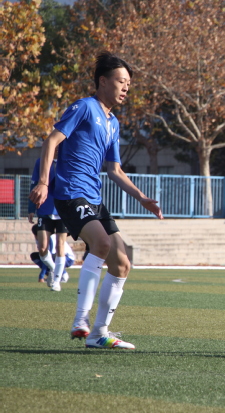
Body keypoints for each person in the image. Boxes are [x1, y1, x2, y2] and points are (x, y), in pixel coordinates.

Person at [29, 52, 163, 350]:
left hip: (94, 199)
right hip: (70, 193)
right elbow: (51, 141)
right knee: (101, 244)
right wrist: (43, 182)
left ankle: (99, 333)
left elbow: (115, 170)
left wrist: (142, 198)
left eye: (128, 83)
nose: (126, 87)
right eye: (121, 81)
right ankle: (80, 321)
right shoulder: (84, 107)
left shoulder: (113, 123)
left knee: (122, 264)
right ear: (103, 81)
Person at [28, 154, 69, 292]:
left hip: (63, 210)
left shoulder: (68, 159)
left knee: (60, 245)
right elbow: (34, 184)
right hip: (44, 209)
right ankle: (55, 269)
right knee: (42, 248)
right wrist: (31, 208)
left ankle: (56, 281)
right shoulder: (41, 162)